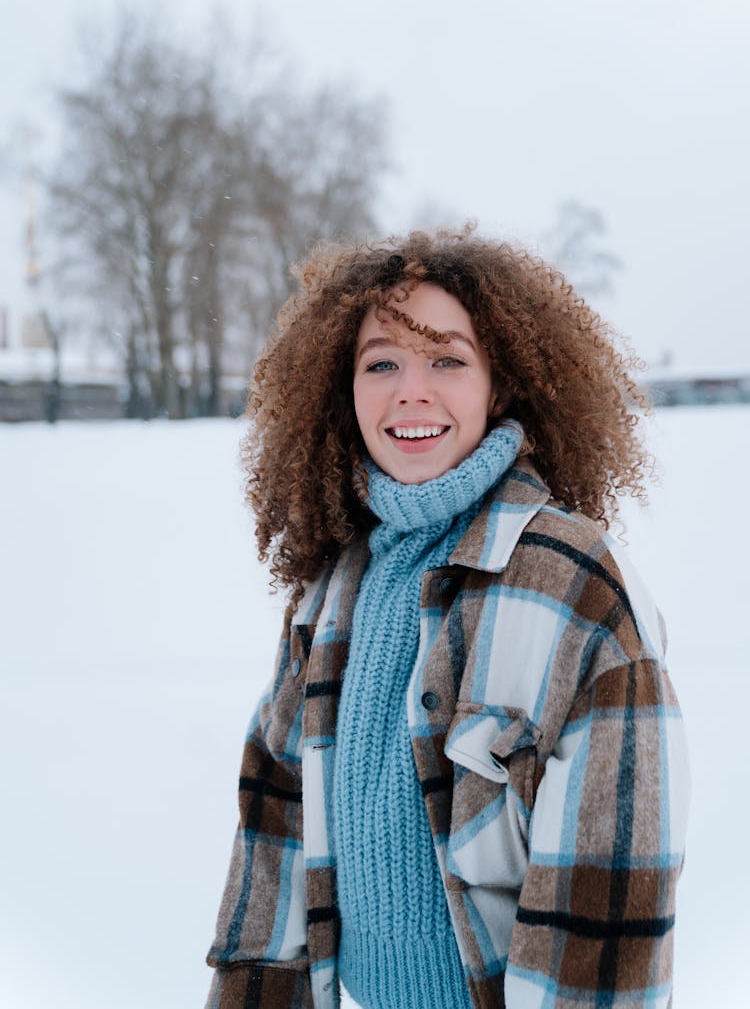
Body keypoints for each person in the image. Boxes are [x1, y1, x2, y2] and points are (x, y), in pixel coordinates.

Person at [206, 227, 689, 1009]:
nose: (411, 390)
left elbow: (607, 902)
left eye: (448, 360)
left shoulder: (574, 586)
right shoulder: (334, 586)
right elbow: (276, 834)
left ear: (500, 385)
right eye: (382, 362)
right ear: (345, 386)